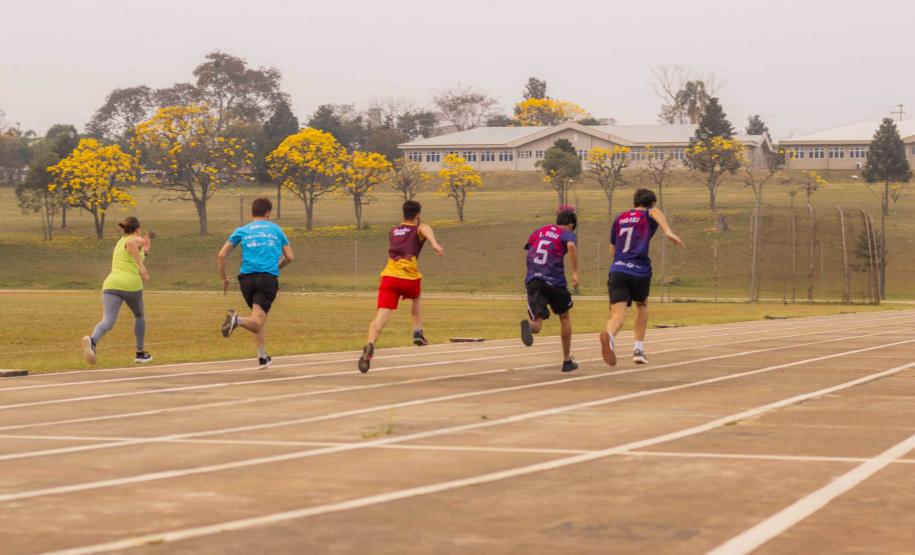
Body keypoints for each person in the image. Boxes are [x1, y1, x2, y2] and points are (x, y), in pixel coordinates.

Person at [358, 200, 444, 373]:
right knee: (417, 296)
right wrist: (434, 243)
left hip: (389, 277)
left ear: (402, 214)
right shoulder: (419, 228)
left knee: (380, 316)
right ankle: (418, 331)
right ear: (418, 215)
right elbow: (424, 229)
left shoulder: (393, 231)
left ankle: (370, 345)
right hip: (409, 278)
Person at [600, 188, 684, 366]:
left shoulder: (620, 218)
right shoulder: (649, 213)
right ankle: (638, 349)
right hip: (639, 270)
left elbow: (612, 250)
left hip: (618, 270)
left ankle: (609, 336)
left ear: (634, 202)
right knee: (642, 304)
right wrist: (668, 231)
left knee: (618, 316)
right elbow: (654, 212)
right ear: (651, 203)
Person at [218, 197, 294, 369]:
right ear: (268, 213)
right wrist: (277, 267)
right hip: (266, 279)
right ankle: (235, 320)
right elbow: (290, 256)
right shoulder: (276, 230)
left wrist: (224, 278)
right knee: (257, 321)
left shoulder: (242, 230)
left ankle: (262, 357)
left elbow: (221, 255)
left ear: (252, 213)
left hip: (246, 280)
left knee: (257, 316)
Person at [81, 217, 152, 364]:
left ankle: (92, 341)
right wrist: (141, 266)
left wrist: (145, 251)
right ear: (137, 229)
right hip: (131, 284)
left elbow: (132, 251)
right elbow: (132, 243)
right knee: (139, 316)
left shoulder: (119, 242)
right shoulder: (134, 239)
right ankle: (140, 353)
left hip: (111, 284)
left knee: (107, 321)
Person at [520, 205, 580, 372]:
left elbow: (529, 249)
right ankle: (566, 360)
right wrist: (575, 272)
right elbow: (571, 247)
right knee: (564, 317)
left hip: (534, 279)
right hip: (555, 281)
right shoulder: (567, 234)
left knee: (537, 324)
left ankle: (529, 327)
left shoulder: (539, 231)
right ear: (570, 225)